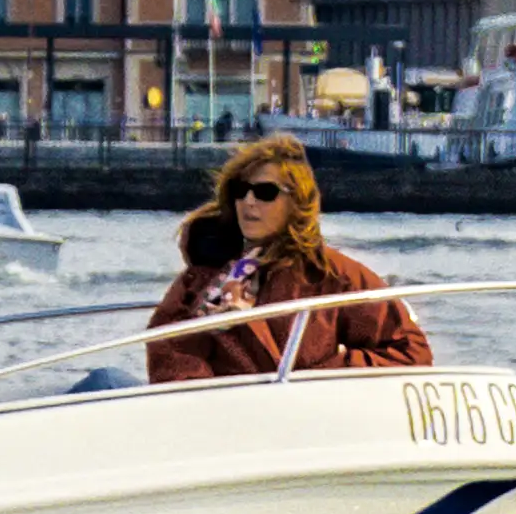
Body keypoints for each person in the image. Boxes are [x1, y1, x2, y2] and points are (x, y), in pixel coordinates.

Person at [148, 139, 429, 381]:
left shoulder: (332, 275)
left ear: (297, 202)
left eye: (265, 192)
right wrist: (204, 399)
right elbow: (169, 353)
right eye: (239, 190)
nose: (248, 201)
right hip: (215, 421)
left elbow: (410, 353)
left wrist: (329, 372)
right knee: (105, 379)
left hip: (303, 418)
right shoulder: (204, 274)